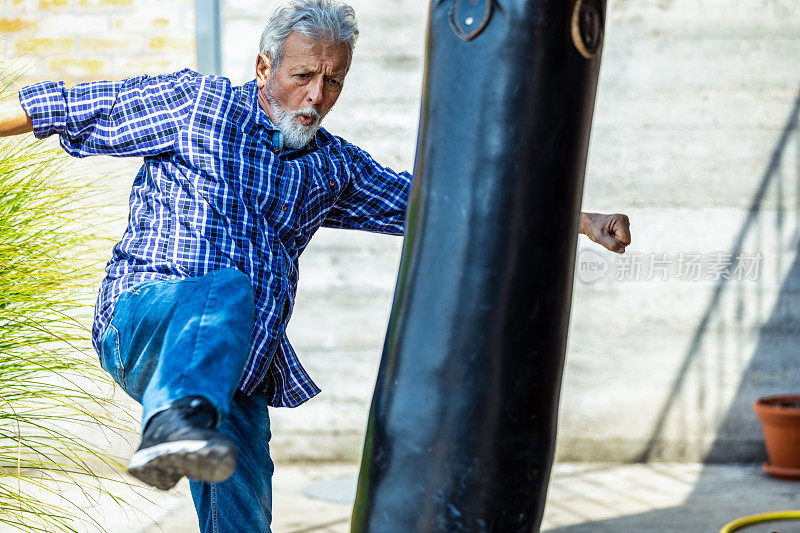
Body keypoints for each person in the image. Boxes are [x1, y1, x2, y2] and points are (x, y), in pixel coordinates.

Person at [0, 0, 631, 529]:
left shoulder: (331, 166)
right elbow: (61, 106)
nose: (315, 96)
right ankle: (175, 415)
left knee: (244, 506)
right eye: (303, 76)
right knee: (224, 290)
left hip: (236, 372)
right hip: (147, 320)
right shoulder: (196, 107)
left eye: (332, 82)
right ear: (263, 67)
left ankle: (189, 423)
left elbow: (440, 201)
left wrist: (582, 220)